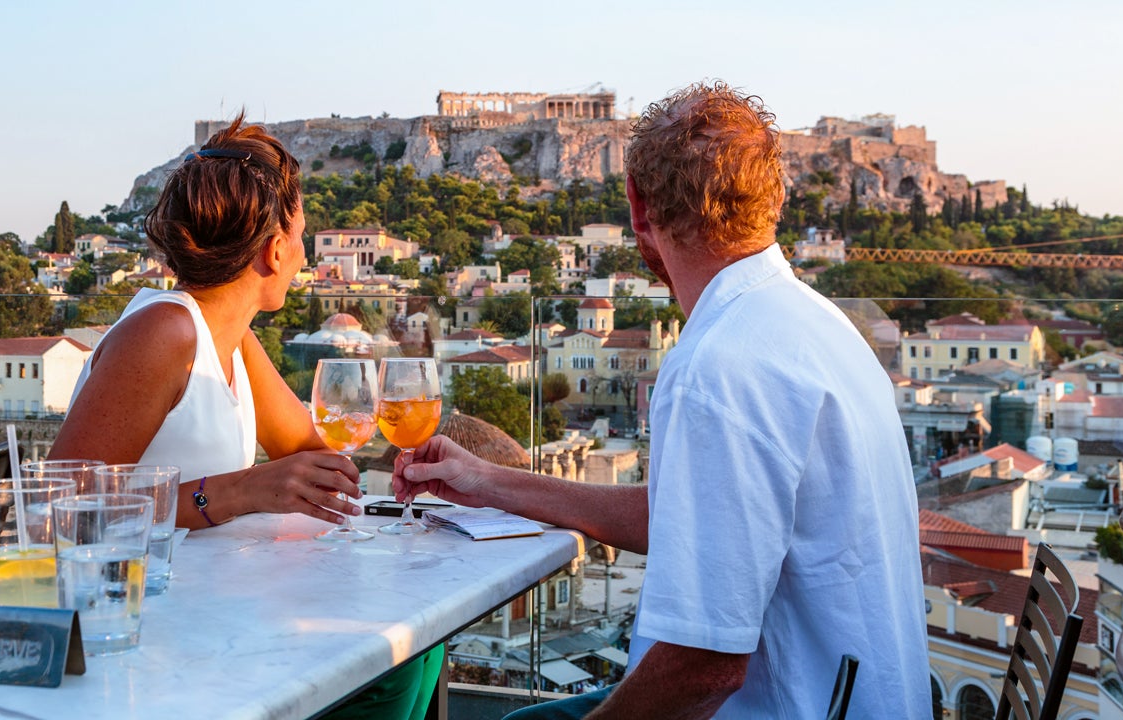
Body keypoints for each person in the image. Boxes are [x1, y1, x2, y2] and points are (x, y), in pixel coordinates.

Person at [394, 82, 932, 719]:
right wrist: (488, 481)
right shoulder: (818, 325)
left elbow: (705, 670)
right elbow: (683, 518)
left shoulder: (719, 366)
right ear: (778, 199)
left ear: (638, 209)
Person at [50, 115, 440, 720]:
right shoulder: (163, 331)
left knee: (415, 644)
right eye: (302, 237)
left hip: (210, 603)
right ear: (274, 249)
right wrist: (239, 491)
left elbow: (314, 454)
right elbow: (61, 508)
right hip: (132, 625)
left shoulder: (229, 337)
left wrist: (390, 449)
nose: (306, 258)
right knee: (395, 663)